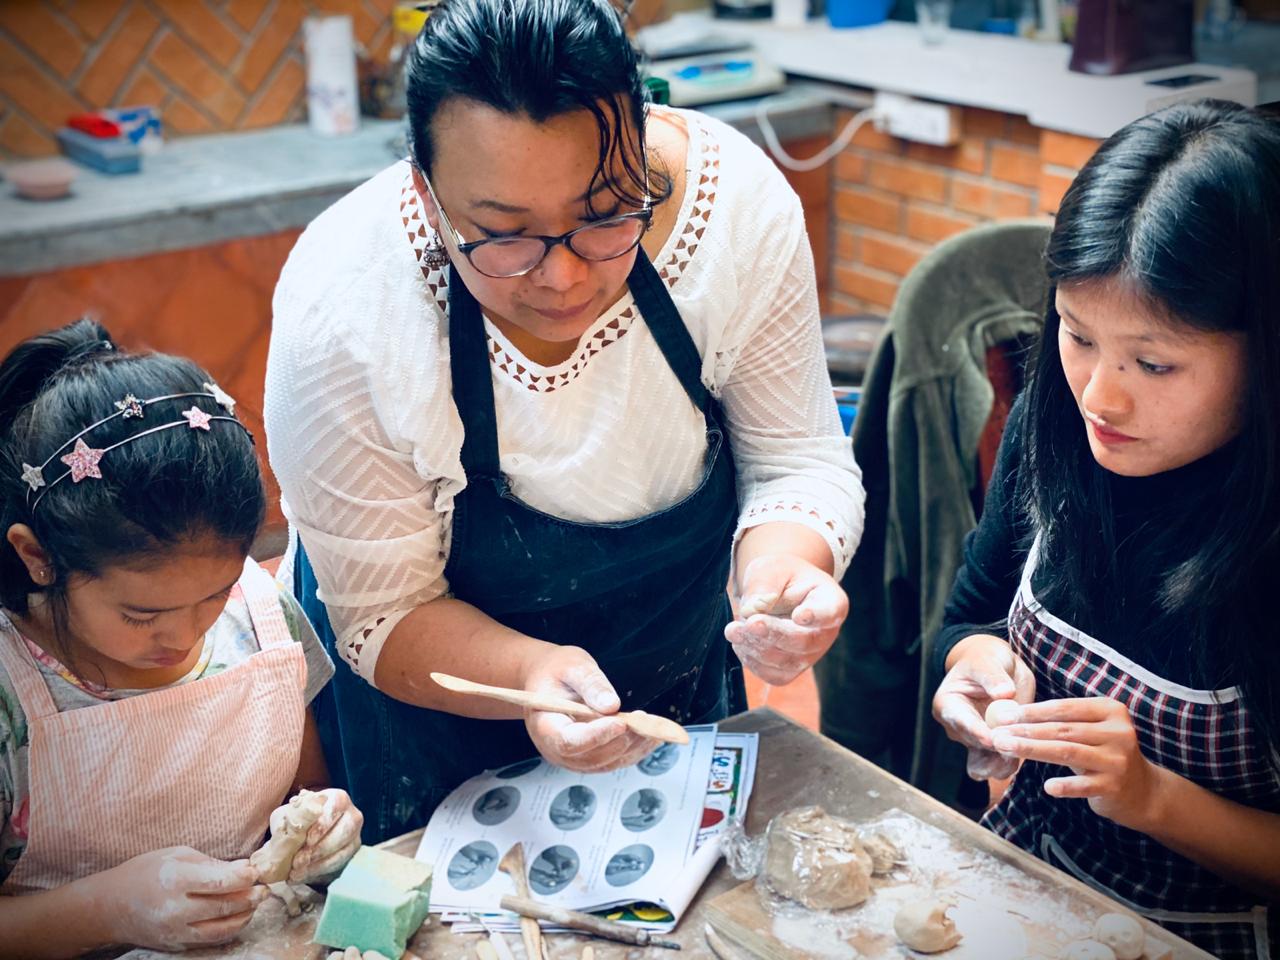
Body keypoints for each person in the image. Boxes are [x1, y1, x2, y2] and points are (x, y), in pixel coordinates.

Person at [266, 0, 863, 840]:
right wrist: (530, 674)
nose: (564, 278)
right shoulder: (347, 310)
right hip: (426, 713)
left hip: (672, 677)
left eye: (608, 213)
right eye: (506, 237)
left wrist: (781, 576)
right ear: (425, 191)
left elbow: (798, 458)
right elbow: (381, 615)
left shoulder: (735, 214)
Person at [931, 100, 1280, 959]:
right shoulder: (1057, 427)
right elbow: (969, 614)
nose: (1100, 396)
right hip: (1034, 885)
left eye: (1153, 362)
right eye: (1077, 336)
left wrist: (1154, 796)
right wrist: (973, 673)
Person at [0, 321, 362, 957]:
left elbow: (301, 787)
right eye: (142, 614)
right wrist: (107, 910)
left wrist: (322, 823)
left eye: (213, 595)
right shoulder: (11, 697)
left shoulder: (261, 617)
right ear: (38, 558)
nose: (186, 633)